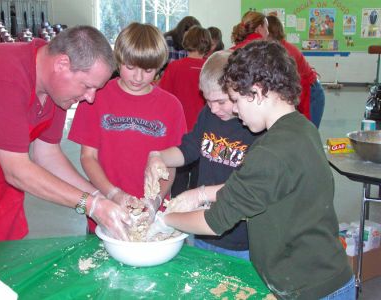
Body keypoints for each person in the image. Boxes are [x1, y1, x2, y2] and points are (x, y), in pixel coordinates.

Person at [147, 41, 355, 299]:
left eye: (235, 100)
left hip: (311, 288)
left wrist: (162, 219)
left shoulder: (270, 152)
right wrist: (199, 194)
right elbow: (257, 189)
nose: (234, 109)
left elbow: (215, 221)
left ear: (256, 92)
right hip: (325, 274)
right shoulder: (301, 128)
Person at [0, 25, 132, 242]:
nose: (90, 98)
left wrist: (102, 197)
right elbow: (17, 171)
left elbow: (47, 155)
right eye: (87, 86)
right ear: (62, 64)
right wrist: (91, 205)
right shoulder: (5, 76)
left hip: (0, 194)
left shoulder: (55, 90)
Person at [68, 23, 187, 234]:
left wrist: (155, 201)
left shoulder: (171, 106)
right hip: (106, 209)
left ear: (160, 67)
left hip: (153, 217)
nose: (138, 77)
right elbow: (88, 157)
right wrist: (113, 194)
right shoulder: (95, 97)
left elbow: (170, 165)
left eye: (148, 70)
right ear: (118, 60)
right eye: (130, 67)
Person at [145, 50, 262, 259]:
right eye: (208, 101)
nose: (214, 109)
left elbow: (251, 187)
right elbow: (189, 149)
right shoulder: (209, 114)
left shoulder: (255, 128)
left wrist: (199, 194)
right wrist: (159, 156)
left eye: (221, 102)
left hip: (240, 238)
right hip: (202, 230)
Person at [159, 25, 211, 197]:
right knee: (199, 181)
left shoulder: (174, 68)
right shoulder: (209, 70)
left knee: (178, 180)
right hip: (204, 134)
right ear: (208, 44)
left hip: (179, 135)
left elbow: (163, 98)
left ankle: (176, 211)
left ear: (186, 42)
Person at [266, 15, 325, 128]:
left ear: (270, 32)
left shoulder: (285, 51)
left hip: (312, 93)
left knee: (307, 131)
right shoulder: (275, 47)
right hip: (301, 90)